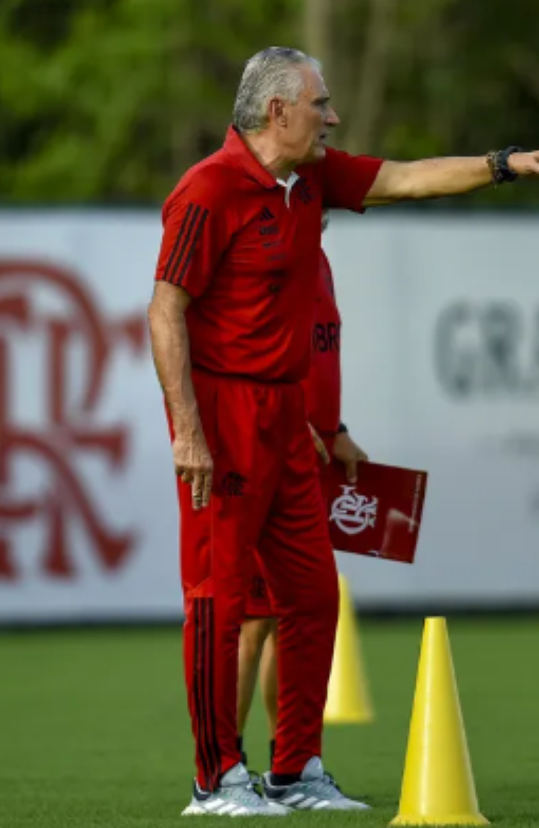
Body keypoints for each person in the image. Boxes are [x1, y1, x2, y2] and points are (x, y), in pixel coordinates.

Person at [148, 45, 539, 817]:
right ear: (278, 111)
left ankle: (294, 770)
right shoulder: (206, 191)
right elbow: (165, 310)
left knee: (313, 596)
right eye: (321, 103)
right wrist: (188, 430)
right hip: (224, 417)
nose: (333, 117)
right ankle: (214, 779)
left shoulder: (311, 178)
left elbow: (411, 178)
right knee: (218, 600)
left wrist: (507, 163)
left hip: (288, 420)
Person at [235, 210, 367, 784]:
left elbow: (316, 358)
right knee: (253, 621)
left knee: (288, 617)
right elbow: (253, 359)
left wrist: (334, 430)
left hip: (308, 455)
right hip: (270, 455)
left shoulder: (318, 264)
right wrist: (293, 424)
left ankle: (282, 761)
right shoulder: (270, 267)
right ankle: (225, 766)